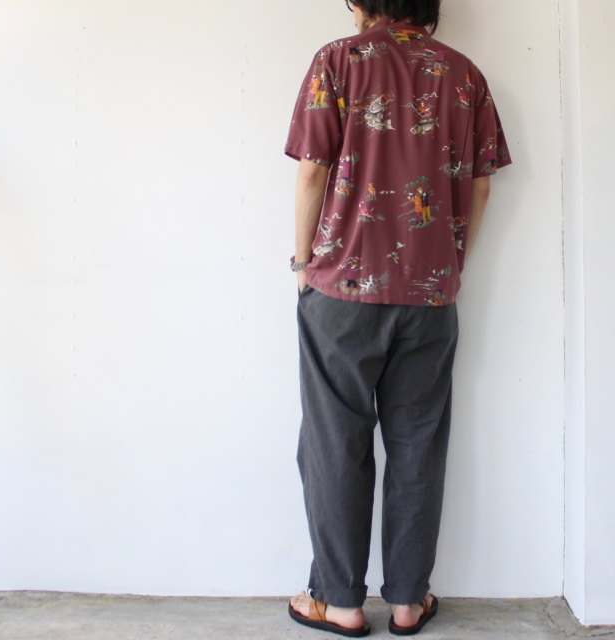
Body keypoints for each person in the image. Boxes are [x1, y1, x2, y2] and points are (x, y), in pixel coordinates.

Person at [284, 0, 511, 636]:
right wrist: (451, 263)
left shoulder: (338, 61)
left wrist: (301, 263)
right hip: (430, 295)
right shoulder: (464, 73)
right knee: (418, 443)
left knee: (334, 443)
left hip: (342, 290)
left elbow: (312, 170)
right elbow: (481, 184)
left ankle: (340, 602)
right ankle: (409, 602)